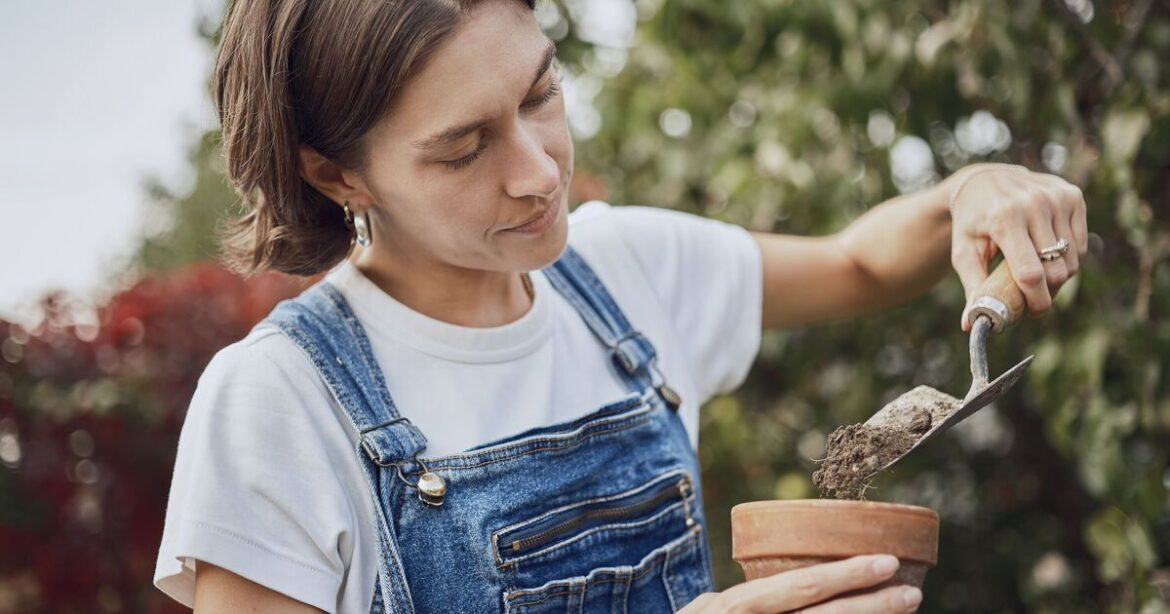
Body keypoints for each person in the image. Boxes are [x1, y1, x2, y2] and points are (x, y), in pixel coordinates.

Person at [152, 0, 1088, 612]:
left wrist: (967, 192)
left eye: (540, 93)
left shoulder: (622, 273)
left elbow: (858, 265)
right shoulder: (281, 401)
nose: (538, 170)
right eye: (464, 148)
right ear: (336, 171)